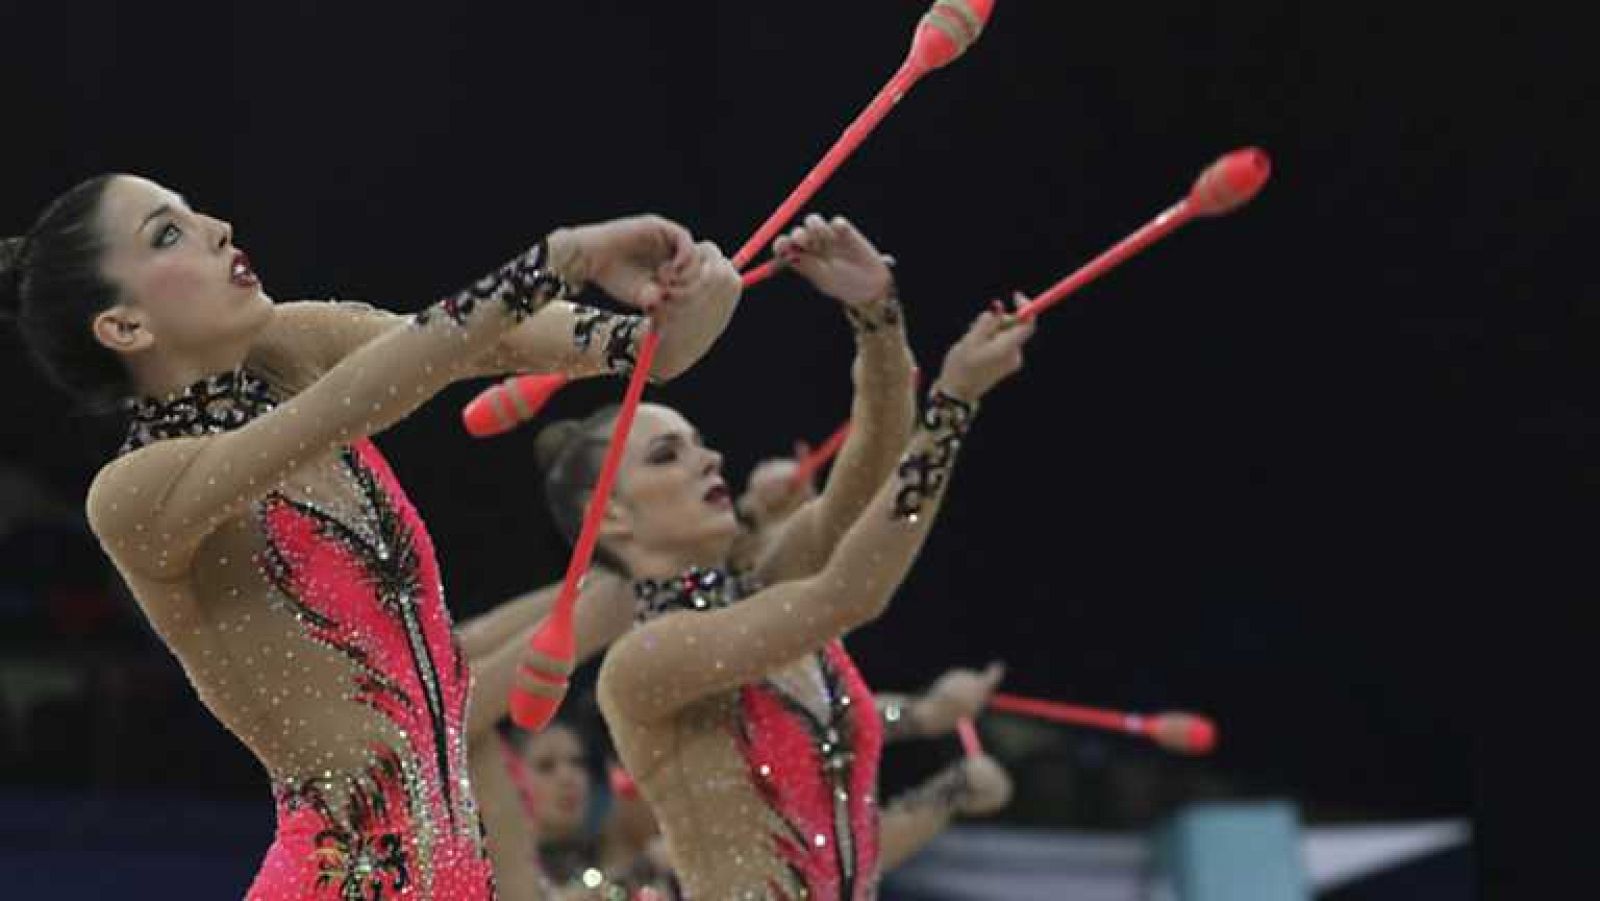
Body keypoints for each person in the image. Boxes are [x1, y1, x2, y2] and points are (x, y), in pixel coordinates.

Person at [0, 172, 741, 899]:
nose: (217, 229)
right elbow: (386, 379)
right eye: (169, 233)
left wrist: (654, 331)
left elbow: (479, 345)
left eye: (195, 212)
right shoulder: (134, 494)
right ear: (125, 326)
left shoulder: (289, 346)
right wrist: (562, 259)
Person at [534, 214, 1030, 898]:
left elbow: (865, 482)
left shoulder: (758, 589)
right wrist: (951, 406)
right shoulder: (644, 662)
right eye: (667, 454)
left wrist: (876, 314)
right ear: (610, 514)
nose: (709, 459)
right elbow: (851, 592)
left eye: (698, 441)